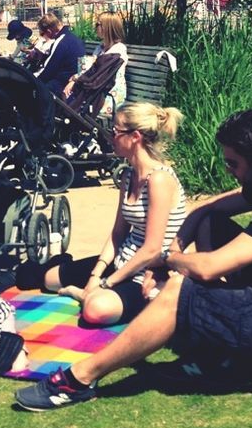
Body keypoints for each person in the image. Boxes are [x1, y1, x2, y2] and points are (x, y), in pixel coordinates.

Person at [13, 108, 252, 411]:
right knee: (210, 225)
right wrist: (166, 260)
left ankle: (79, 380)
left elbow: (209, 266)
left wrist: (168, 258)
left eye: (233, 163)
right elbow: (204, 211)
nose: (229, 171)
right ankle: (214, 352)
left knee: (179, 292)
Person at [18, 102, 186, 327]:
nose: (111, 136)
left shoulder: (159, 180)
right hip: (121, 262)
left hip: (148, 272)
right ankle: (82, 285)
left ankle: (83, 295)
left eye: (115, 131)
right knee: (47, 279)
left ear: (135, 137)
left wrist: (106, 283)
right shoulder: (128, 176)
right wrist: (96, 274)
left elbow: (152, 249)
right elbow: (118, 233)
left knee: (96, 310)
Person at [63, 11, 128, 109]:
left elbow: (99, 73)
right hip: (95, 89)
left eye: (98, 24)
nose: (95, 27)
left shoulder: (118, 50)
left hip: (107, 94)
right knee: (64, 96)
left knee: (68, 100)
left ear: (107, 28)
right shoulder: (100, 48)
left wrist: (75, 80)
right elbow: (91, 70)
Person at [33, 12, 85, 96]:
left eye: (43, 33)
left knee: (37, 89)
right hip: (73, 76)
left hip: (65, 81)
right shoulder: (70, 37)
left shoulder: (60, 42)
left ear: (49, 31)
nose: (43, 36)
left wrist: (34, 80)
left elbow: (49, 68)